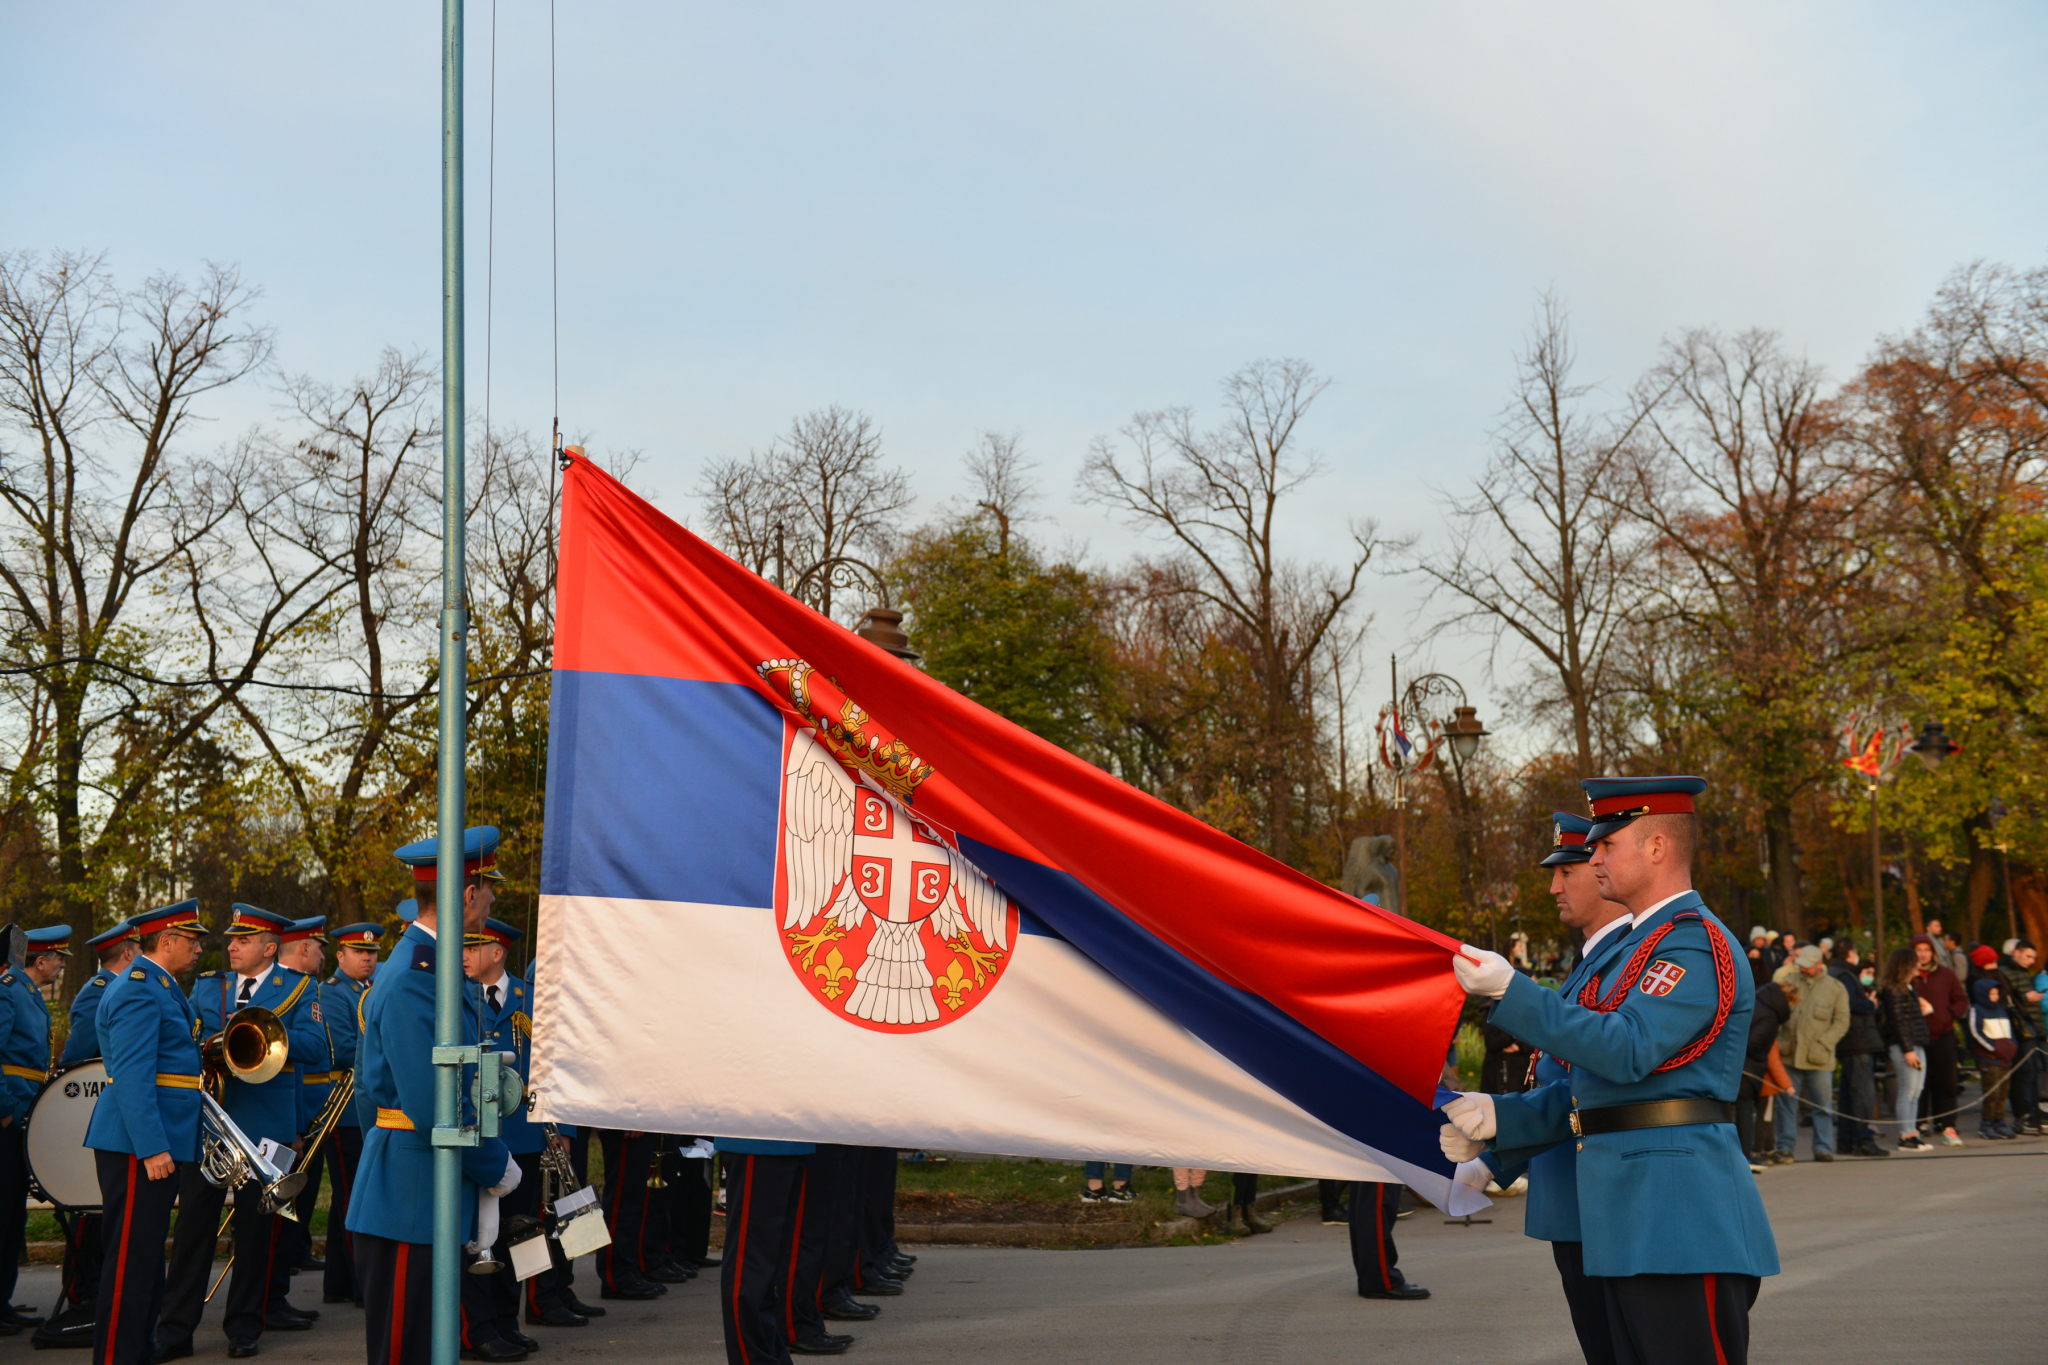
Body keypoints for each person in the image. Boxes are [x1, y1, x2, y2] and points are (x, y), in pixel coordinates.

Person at [1451, 776, 1777, 1365]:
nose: (1593, 857)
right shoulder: (1638, 947)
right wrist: (1498, 1120)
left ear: (1657, 848)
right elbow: (1590, 1088)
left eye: (1607, 844)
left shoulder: (1693, 945)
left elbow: (1626, 1050)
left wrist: (1513, 991)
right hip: (1630, 1215)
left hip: (1678, 1216)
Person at [1449, 809, 1634, 1365]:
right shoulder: (1590, 964)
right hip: (1571, 1193)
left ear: (1603, 875)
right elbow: (1557, 1078)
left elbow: (1592, 1083)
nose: (1554, 886)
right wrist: (1497, 1159)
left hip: (1601, 1192)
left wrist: (1499, 1144)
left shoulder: (1623, 962)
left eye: (1567, 872)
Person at [348, 827, 520, 1365]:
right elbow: (431, 1104)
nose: (492, 898)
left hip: (413, 1188)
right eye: (487, 887)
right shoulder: (417, 977)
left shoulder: (426, 967)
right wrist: (495, 1164)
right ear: (467, 895)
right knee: (407, 1350)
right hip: (412, 1195)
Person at [155, 905, 329, 1361]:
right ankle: (175, 1331)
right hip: (209, 1127)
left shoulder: (298, 988)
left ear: (269, 948)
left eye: (242, 940)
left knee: (256, 1236)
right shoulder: (208, 984)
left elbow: (317, 1047)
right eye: (231, 940)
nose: (230, 946)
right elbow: (186, 1037)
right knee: (193, 1231)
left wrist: (263, 1035)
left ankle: (245, 1327)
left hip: (268, 1131)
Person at [86, 901, 208, 1365]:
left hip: (156, 1140)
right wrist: (153, 1147)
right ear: (167, 942)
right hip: (141, 1144)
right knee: (131, 1265)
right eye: (192, 941)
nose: (199, 949)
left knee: (145, 1261)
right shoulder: (139, 989)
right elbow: (134, 1077)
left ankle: (136, 1351)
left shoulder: (159, 985)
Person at [461, 917, 547, 1357]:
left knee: (519, 1231)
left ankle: (507, 1319)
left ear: (496, 953)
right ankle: (477, 1326)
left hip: (523, 1134)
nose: (462, 956)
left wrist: (560, 1131)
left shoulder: (530, 1000)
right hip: (475, 1134)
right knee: (476, 1234)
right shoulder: (454, 998)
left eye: (472, 948)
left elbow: (552, 1072)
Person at [52, 920, 140, 1333]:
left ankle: (92, 1286)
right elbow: (77, 1056)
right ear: (127, 954)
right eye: (139, 948)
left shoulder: (118, 988)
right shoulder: (100, 992)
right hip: (97, 1107)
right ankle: (80, 1289)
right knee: (90, 1209)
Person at [321, 921, 383, 1307]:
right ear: (340, 956)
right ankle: (363, 1285)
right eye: (359, 952)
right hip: (345, 1109)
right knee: (352, 1198)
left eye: (373, 953)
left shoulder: (372, 991)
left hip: (366, 1105)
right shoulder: (333, 994)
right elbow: (343, 1049)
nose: (367, 958)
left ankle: (339, 1282)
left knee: (351, 1195)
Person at [719, 1136, 816, 1365]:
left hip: (793, 1135)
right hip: (757, 1135)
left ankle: (768, 1353)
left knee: (769, 1263)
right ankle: (752, 1358)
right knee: (751, 1260)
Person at [275, 918, 332, 1301]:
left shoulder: (306, 989)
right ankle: (279, 1270)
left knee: (302, 1189)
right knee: (278, 1201)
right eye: (319, 948)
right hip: (281, 1109)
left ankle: (294, 1251)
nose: (323, 956)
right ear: (304, 949)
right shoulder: (284, 989)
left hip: (310, 1104)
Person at [1773, 946, 1848, 1163]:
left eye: (1807, 966)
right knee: (1786, 1105)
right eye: (1801, 965)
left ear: (1818, 964)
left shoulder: (1836, 988)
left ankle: (1823, 1148)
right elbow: (1775, 1012)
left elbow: (1842, 1021)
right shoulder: (1788, 982)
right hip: (1789, 1054)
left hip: (1819, 1059)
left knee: (1822, 1106)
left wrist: (1824, 1044)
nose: (1803, 969)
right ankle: (1785, 1147)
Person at [1910, 933, 1968, 1146]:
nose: (1923, 954)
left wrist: (1947, 1014)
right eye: (1918, 950)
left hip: (1943, 1035)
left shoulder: (1946, 974)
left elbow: (1961, 1000)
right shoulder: (1908, 976)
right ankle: (1919, 1122)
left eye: (1926, 950)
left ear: (1933, 952)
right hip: (1917, 1037)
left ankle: (1947, 1124)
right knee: (1920, 1084)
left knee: (1947, 1082)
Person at [1830, 945, 1886, 1157]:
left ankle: (1846, 1139)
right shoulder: (1845, 974)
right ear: (1850, 954)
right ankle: (1862, 1139)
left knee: (1847, 1092)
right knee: (1863, 1092)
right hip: (1857, 1039)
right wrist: (1869, 1004)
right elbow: (1851, 1004)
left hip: (1849, 1040)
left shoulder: (1835, 972)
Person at [1877, 948, 1933, 1152]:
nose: (1919, 965)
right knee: (1908, 1090)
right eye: (1915, 962)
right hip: (1905, 1047)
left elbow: (1907, 1018)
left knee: (1916, 1091)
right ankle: (1905, 1135)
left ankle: (1912, 1133)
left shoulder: (1908, 988)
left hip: (1916, 1042)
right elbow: (1897, 1022)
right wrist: (1907, 1050)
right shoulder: (1893, 989)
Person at [1738, 979, 1791, 1167]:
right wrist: (1761, 1059)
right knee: (1744, 1111)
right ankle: (1745, 1155)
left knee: (1734, 1111)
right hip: (1748, 1068)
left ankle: (1742, 1154)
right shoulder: (1770, 1017)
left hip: (1735, 1062)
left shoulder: (1757, 1001)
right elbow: (1754, 1042)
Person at [1998, 941, 2043, 1133]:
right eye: (2028, 956)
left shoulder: (2021, 972)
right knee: (2024, 1074)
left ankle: (2033, 1114)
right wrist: (2026, 998)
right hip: (2019, 1031)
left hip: (2031, 1029)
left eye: (2033, 957)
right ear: (2016, 953)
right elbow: (2007, 1000)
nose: (2031, 961)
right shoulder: (2004, 971)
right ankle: (2023, 1116)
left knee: (2032, 1073)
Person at [1966, 978, 2017, 1140]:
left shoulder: (2001, 1010)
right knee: (1992, 1092)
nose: (1995, 996)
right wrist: (1993, 1048)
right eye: (1992, 993)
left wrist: (2012, 1047)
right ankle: (1986, 1123)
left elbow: (2010, 1032)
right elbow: (1975, 1032)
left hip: (2005, 1058)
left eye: (1997, 993)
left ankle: (1999, 1122)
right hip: (1989, 1058)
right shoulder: (1976, 1010)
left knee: (2003, 1092)